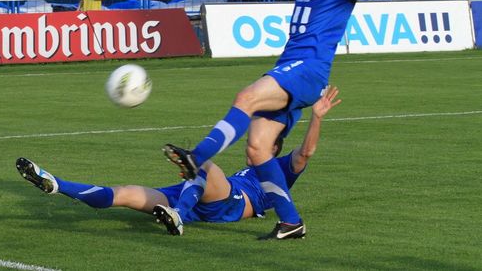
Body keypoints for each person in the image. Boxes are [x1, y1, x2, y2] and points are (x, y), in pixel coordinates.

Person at [162, 0, 470, 240]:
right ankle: (291, 222)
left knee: (246, 97)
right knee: (257, 150)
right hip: (291, 68)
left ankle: (197, 157)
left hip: (307, 69)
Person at [17, 87, 342, 237]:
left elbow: (305, 154)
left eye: (258, 141)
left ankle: (179, 214)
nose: (249, 146)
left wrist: (316, 117)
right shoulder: (251, 164)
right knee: (126, 193)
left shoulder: (282, 168)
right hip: (203, 193)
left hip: (230, 202)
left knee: (204, 166)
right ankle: (57, 184)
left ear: (275, 144)